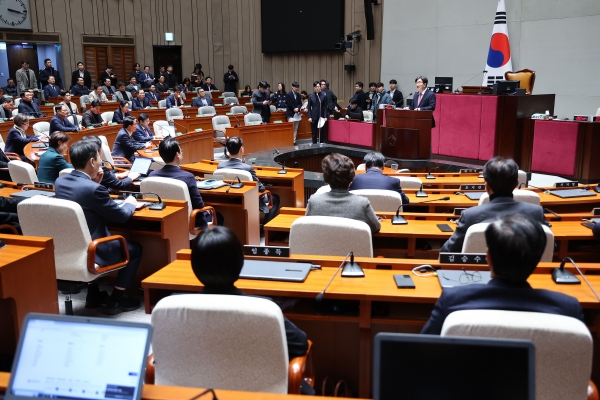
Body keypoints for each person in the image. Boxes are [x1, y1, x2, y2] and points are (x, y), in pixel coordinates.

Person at [422, 215, 584, 335]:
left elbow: (425, 349)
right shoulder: (568, 309)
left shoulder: (452, 300)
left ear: (488, 257)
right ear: (538, 261)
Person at [190, 226, 309, 361]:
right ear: (240, 262)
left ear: (194, 265)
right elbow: (300, 344)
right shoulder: (263, 310)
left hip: (182, 383)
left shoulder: (172, 310)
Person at [55, 140, 142, 314]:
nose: (101, 161)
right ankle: (117, 301)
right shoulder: (94, 190)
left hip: (71, 247)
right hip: (94, 249)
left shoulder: (60, 182)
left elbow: (86, 199)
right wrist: (130, 203)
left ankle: (93, 295)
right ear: (92, 162)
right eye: (99, 158)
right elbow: (121, 217)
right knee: (135, 249)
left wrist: (96, 183)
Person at [440, 156, 547, 253]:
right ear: (516, 184)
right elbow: (550, 247)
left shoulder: (470, 216)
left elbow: (447, 251)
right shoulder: (536, 213)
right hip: (527, 274)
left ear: (487, 187)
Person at [149, 137, 218, 230]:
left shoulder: (152, 176)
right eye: (181, 150)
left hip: (161, 221)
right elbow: (199, 205)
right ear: (177, 154)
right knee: (218, 216)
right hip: (189, 223)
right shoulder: (188, 177)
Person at [306, 153, 380, 233]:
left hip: (322, 245)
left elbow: (307, 227)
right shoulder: (362, 204)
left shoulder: (314, 201)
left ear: (326, 178)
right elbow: (376, 227)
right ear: (352, 178)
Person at [218, 136, 280, 226]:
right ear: (241, 150)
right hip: (248, 200)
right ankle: (265, 229)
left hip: (229, 199)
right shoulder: (247, 168)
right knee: (275, 198)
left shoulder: (220, 166)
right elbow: (261, 188)